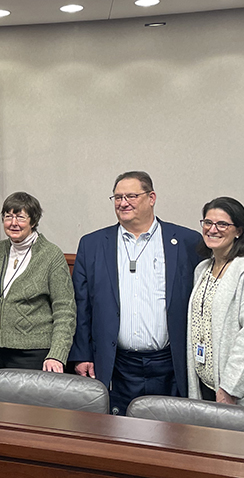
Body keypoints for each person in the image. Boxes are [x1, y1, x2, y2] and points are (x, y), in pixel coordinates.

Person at [69, 171, 202, 415]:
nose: (123, 203)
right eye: (117, 197)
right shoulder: (93, 244)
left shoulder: (187, 242)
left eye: (131, 196)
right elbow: (81, 304)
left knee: (170, 436)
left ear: (151, 198)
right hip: (117, 365)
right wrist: (82, 354)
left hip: (170, 363)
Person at [186, 197, 244, 436]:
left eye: (222, 224)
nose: (212, 229)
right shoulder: (203, 270)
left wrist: (230, 388)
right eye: (207, 222)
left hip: (237, 390)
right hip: (205, 384)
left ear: (239, 231)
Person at [0, 192, 75, 374]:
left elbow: (65, 309)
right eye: (8, 217)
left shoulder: (51, 255)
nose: (13, 223)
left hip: (34, 354)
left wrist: (57, 354)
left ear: (33, 221)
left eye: (20, 217)